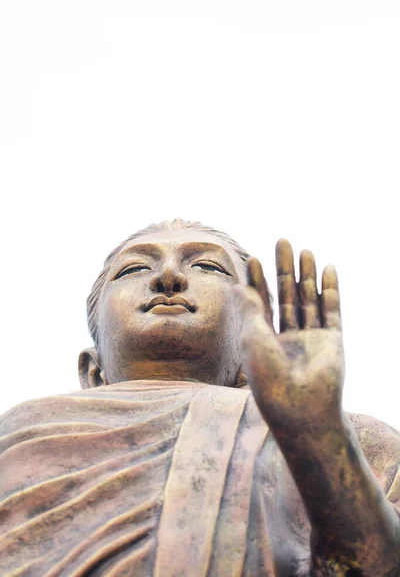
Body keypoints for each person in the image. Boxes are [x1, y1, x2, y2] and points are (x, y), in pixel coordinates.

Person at [0, 218, 399, 576]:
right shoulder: (25, 429)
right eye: (135, 268)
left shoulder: (345, 438)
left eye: (207, 266)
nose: (169, 277)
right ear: (93, 370)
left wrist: (319, 441)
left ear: (251, 356)